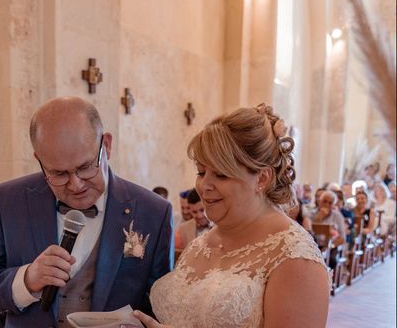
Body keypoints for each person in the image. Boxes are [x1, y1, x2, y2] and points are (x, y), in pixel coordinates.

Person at [0, 96, 172, 327]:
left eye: (85, 167)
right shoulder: (9, 200)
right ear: (39, 160)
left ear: (107, 145)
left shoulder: (153, 212)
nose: (76, 184)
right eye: (59, 174)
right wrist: (27, 280)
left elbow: (159, 307)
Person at [134, 103, 329, 328]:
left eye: (221, 174)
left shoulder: (295, 258)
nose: (204, 185)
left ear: (262, 178)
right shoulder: (201, 244)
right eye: (201, 171)